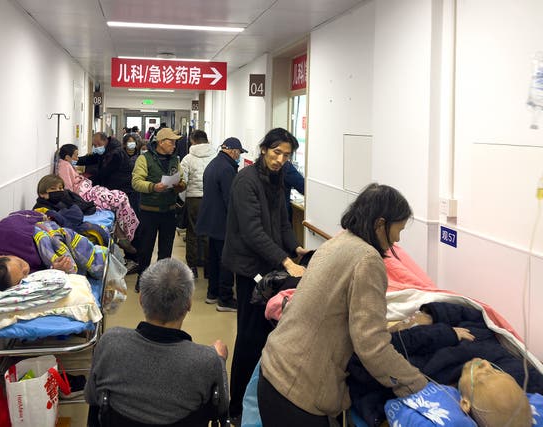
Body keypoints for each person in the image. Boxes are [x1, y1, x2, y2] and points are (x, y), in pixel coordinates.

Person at [258, 183, 428, 427]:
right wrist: (417, 384)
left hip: (274, 370)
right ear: (380, 224)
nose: (398, 239)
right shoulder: (368, 260)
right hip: (298, 392)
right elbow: (372, 346)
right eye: (398, 229)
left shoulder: (337, 242)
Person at [222, 127, 308, 421]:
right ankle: (236, 409)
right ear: (263, 149)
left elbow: (282, 222)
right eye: (276, 153)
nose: (280, 159)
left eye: (286, 155)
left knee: (266, 336)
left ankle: (258, 401)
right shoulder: (245, 181)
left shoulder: (277, 179)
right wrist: (286, 262)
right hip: (249, 269)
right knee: (248, 337)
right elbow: (253, 231)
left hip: (269, 265)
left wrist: (297, 249)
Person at [347, 301, 543, 426]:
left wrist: (439, 333)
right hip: (425, 306)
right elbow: (477, 314)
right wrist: (430, 314)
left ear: (464, 403)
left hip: (397, 330)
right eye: (497, 372)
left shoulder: (422, 383)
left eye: (484, 376)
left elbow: (364, 357)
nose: (484, 364)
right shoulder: (518, 376)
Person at [84, 258, 229, 424]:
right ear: (189, 304)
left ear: (141, 300)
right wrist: (220, 361)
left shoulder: (110, 343)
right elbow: (221, 408)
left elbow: (91, 396)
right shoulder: (207, 360)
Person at [0, 210, 106, 291]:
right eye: (23, 276)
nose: (26, 269)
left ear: (0, 256)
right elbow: (42, 275)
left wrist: (44, 219)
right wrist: (55, 270)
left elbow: (21, 216)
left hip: (46, 229)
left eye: (20, 265)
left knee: (76, 220)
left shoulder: (8, 231)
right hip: (51, 253)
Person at [57, 144, 138, 254]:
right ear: (67, 157)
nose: (77, 158)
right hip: (85, 194)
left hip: (88, 190)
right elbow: (68, 189)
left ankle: (125, 235)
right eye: (76, 155)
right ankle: (127, 235)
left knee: (120, 197)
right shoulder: (64, 166)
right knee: (120, 198)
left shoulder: (67, 165)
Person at [196, 137, 246, 312]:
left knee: (215, 259)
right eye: (239, 153)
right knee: (226, 261)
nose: (239, 156)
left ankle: (213, 293)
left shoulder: (214, 164)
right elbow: (230, 199)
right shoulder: (227, 169)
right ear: (232, 151)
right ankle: (225, 299)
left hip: (212, 221)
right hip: (222, 222)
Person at [132, 127, 186, 290]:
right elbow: (136, 182)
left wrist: (179, 185)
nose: (174, 145)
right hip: (149, 211)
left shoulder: (175, 160)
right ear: (161, 143)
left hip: (169, 211)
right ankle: (142, 280)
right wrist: (153, 187)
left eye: (175, 142)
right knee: (146, 249)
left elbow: (182, 179)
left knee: (166, 250)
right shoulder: (144, 159)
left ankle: (162, 281)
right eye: (171, 142)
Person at [180, 129, 216, 279]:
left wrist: (184, 198)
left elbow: (183, 181)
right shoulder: (215, 156)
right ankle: (209, 268)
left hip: (193, 199)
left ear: (193, 141)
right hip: (211, 199)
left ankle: (192, 268)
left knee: (192, 233)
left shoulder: (187, 158)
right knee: (209, 234)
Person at [122, 133, 142, 217]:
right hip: (123, 189)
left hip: (135, 191)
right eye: (129, 142)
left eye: (133, 142)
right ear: (124, 144)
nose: (131, 144)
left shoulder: (140, 157)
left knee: (135, 213)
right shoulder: (120, 156)